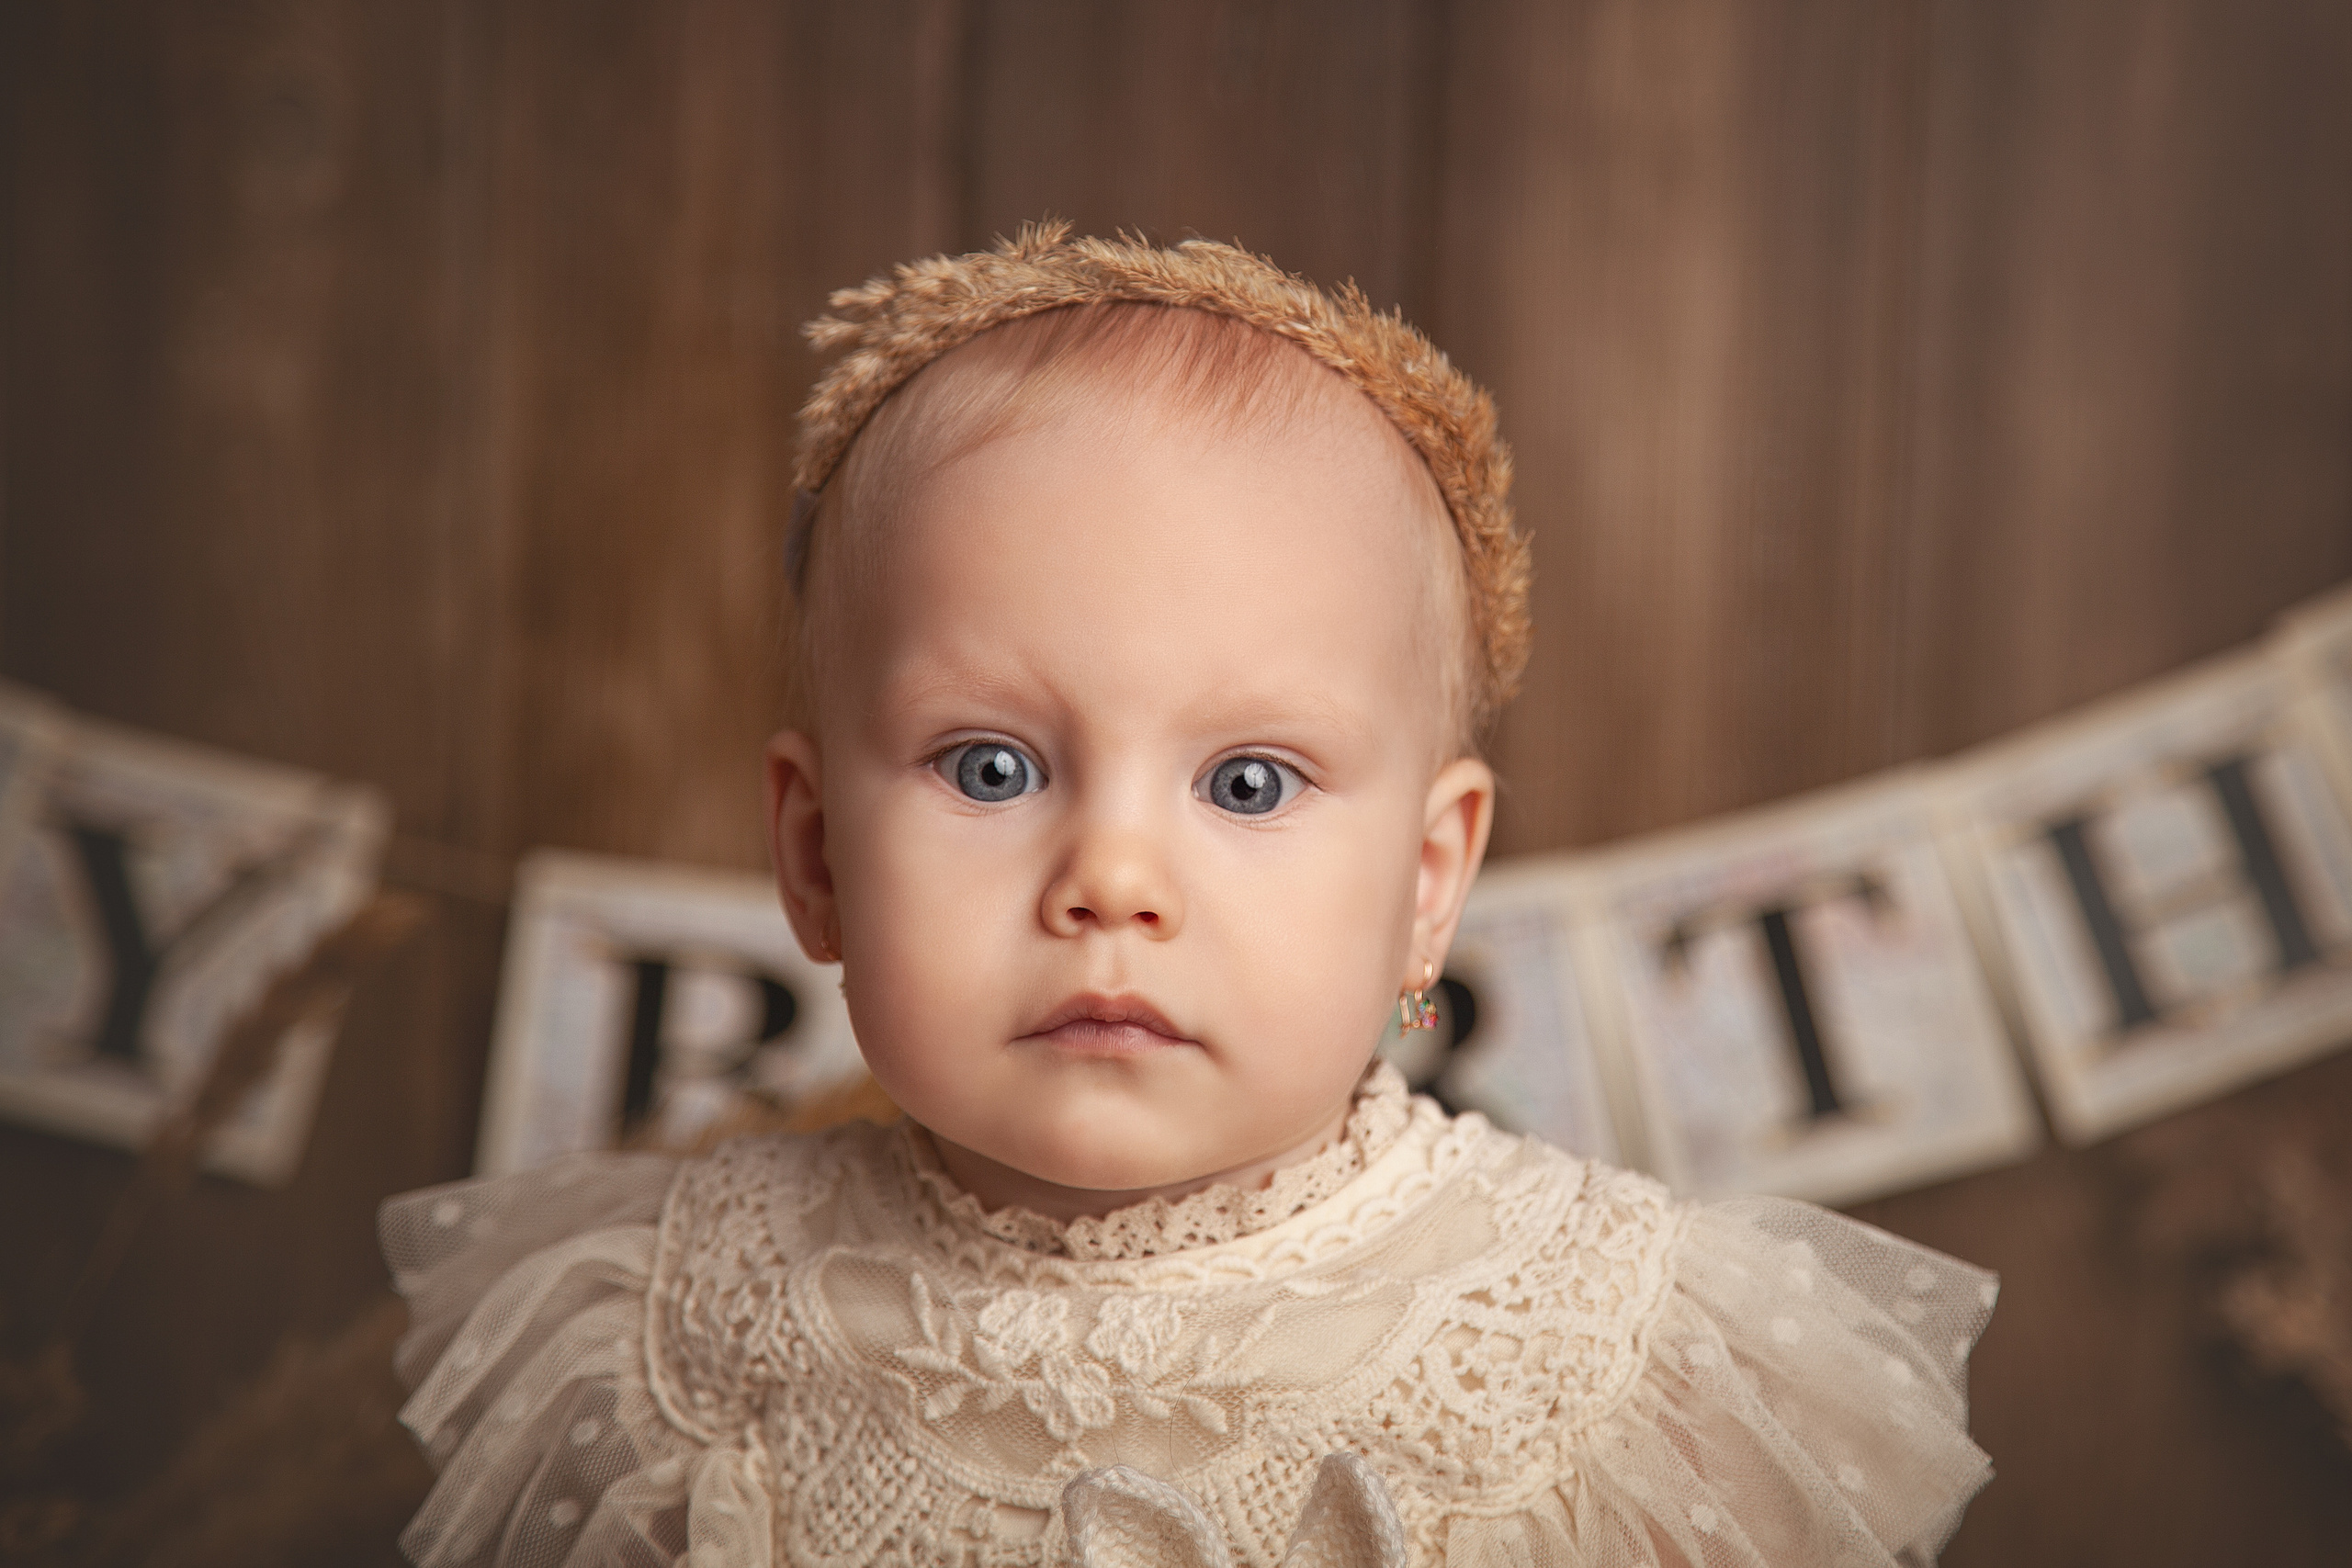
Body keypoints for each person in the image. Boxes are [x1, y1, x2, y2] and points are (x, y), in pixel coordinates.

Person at [381, 223, 1995, 1568]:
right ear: (814, 859)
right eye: (992, 769)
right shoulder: (673, 1318)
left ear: (1426, 889)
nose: (1113, 884)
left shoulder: (1610, 1358)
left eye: (1247, 785)